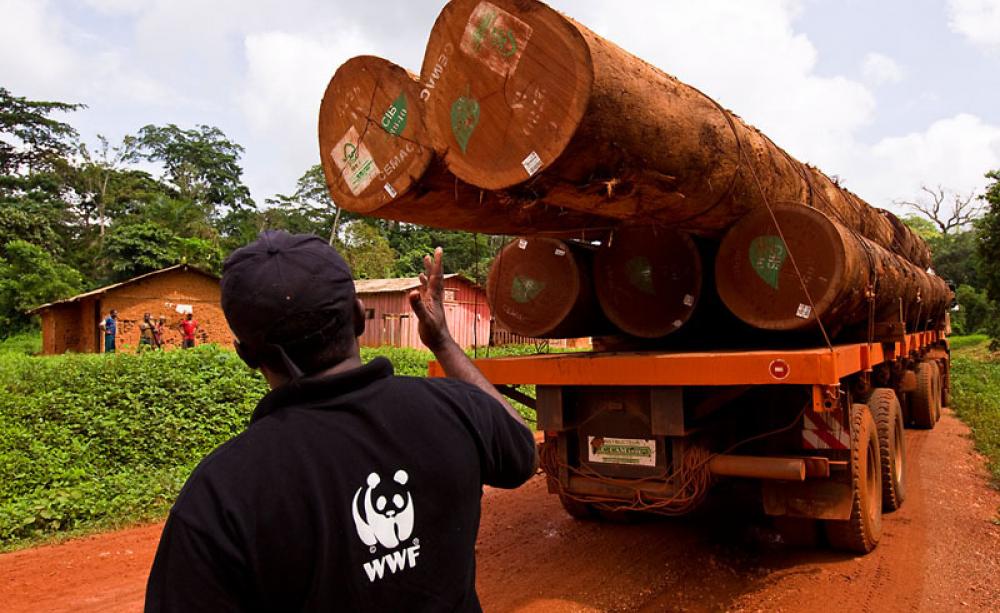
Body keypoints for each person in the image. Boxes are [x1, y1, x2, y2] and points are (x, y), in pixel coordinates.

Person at [145, 232, 537, 612]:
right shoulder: (455, 408)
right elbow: (521, 452)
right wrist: (443, 343)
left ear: (245, 354)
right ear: (357, 315)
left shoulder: (220, 496)